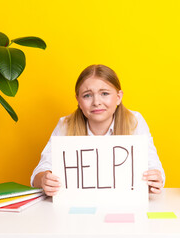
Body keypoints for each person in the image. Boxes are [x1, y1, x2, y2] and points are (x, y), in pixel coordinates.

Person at [30, 64, 165, 196]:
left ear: (118, 97)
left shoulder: (134, 122)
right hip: (78, 208)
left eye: (104, 93)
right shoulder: (66, 125)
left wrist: (155, 177)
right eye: (87, 95)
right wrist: (44, 179)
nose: (96, 102)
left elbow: (154, 166)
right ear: (78, 100)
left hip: (123, 204)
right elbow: (39, 173)